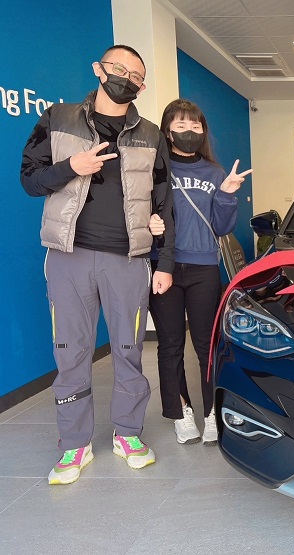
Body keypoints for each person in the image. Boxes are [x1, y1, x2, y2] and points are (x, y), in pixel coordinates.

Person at [20, 45, 175, 485]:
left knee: (128, 350)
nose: (126, 77)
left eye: (136, 74)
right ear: (99, 69)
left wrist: (164, 261)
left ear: (141, 86)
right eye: (119, 68)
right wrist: (72, 166)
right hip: (68, 256)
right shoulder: (58, 118)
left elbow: (163, 200)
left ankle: (128, 434)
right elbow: (30, 180)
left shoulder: (151, 134)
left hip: (128, 259)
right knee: (70, 353)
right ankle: (75, 444)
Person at [149, 99, 251, 446]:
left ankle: (211, 412)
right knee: (170, 344)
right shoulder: (156, 170)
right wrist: (148, 223)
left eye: (195, 126)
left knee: (207, 344)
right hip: (163, 266)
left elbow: (222, 227)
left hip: (204, 267)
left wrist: (227, 194)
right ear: (167, 131)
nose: (189, 132)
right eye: (181, 125)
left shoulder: (214, 172)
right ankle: (181, 412)